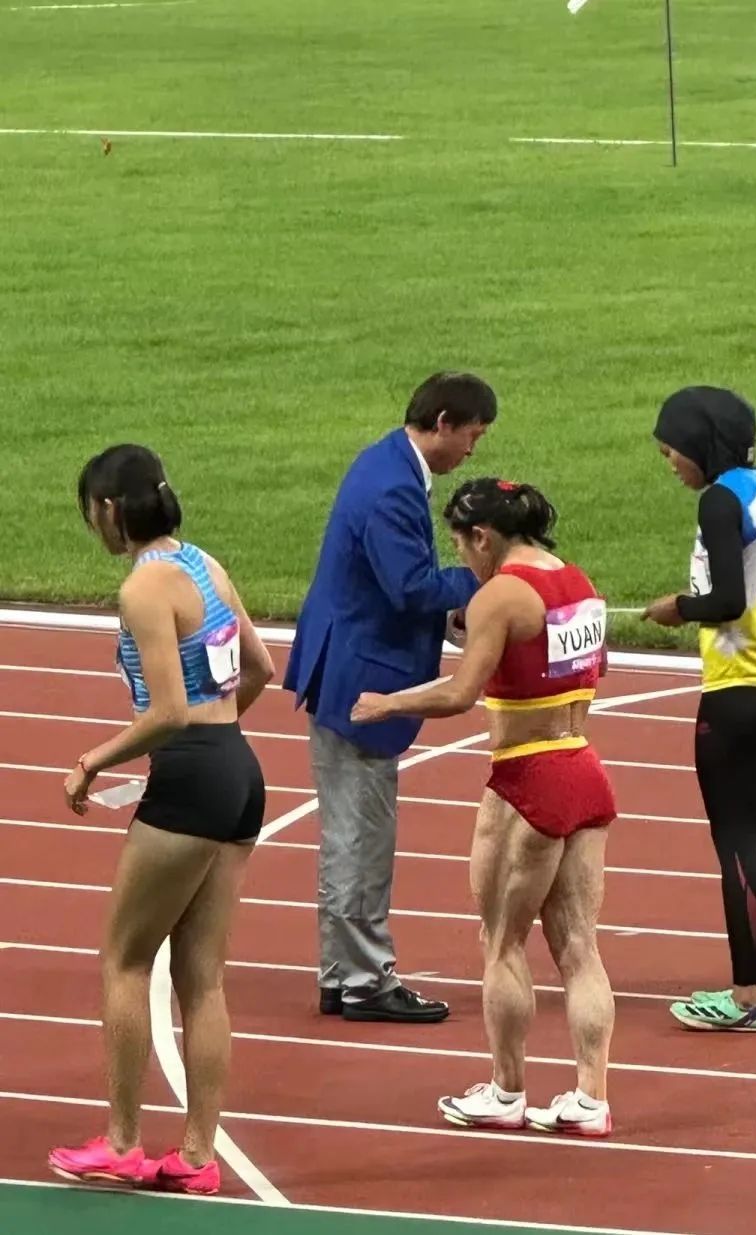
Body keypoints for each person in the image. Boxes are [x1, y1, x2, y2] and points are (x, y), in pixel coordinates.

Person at [351, 478, 617, 1136]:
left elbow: (460, 693)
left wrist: (387, 702)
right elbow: (590, 666)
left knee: (502, 943)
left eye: (461, 545)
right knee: (580, 948)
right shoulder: (579, 582)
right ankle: (591, 1098)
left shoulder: (499, 593)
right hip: (584, 767)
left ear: (483, 536)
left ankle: (506, 1090)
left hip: (527, 777)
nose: (463, 559)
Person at [48, 444, 274, 1195]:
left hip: (192, 778)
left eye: (92, 512)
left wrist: (92, 761)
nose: (93, 525)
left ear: (111, 509)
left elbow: (169, 710)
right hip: (239, 771)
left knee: (124, 959)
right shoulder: (205, 564)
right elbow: (261, 668)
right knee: (202, 979)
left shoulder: (144, 588)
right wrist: (218, 740)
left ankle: (121, 1141)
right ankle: (199, 1156)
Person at [283, 372, 496, 1024]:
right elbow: (410, 586)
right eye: (471, 435)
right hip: (360, 678)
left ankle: (342, 973)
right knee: (361, 839)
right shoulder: (392, 487)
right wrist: (489, 580)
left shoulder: (388, 465)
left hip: (348, 665)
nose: (472, 451)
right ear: (442, 421)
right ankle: (366, 980)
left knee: (350, 834)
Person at [641, 388, 756, 1033]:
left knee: (735, 841)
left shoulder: (718, 500)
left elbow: (728, 602)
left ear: (700, 445)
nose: (671, 466)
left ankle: (743, 996)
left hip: (737, 689)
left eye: (672, 453)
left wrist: (677, 608)